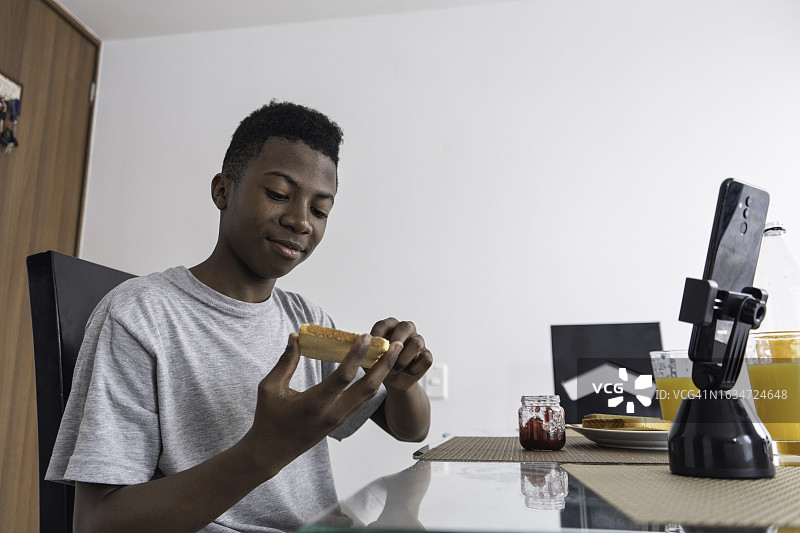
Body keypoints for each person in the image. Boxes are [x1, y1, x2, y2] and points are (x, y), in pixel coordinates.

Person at [46, 100, 433, 533]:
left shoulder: (306, 320)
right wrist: (265, 451)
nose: (300, 220)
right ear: (223, 190)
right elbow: (96, 523)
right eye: (279, 194)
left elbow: (410, 431)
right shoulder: (141, 314)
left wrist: (404, 384)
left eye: (320, 210)